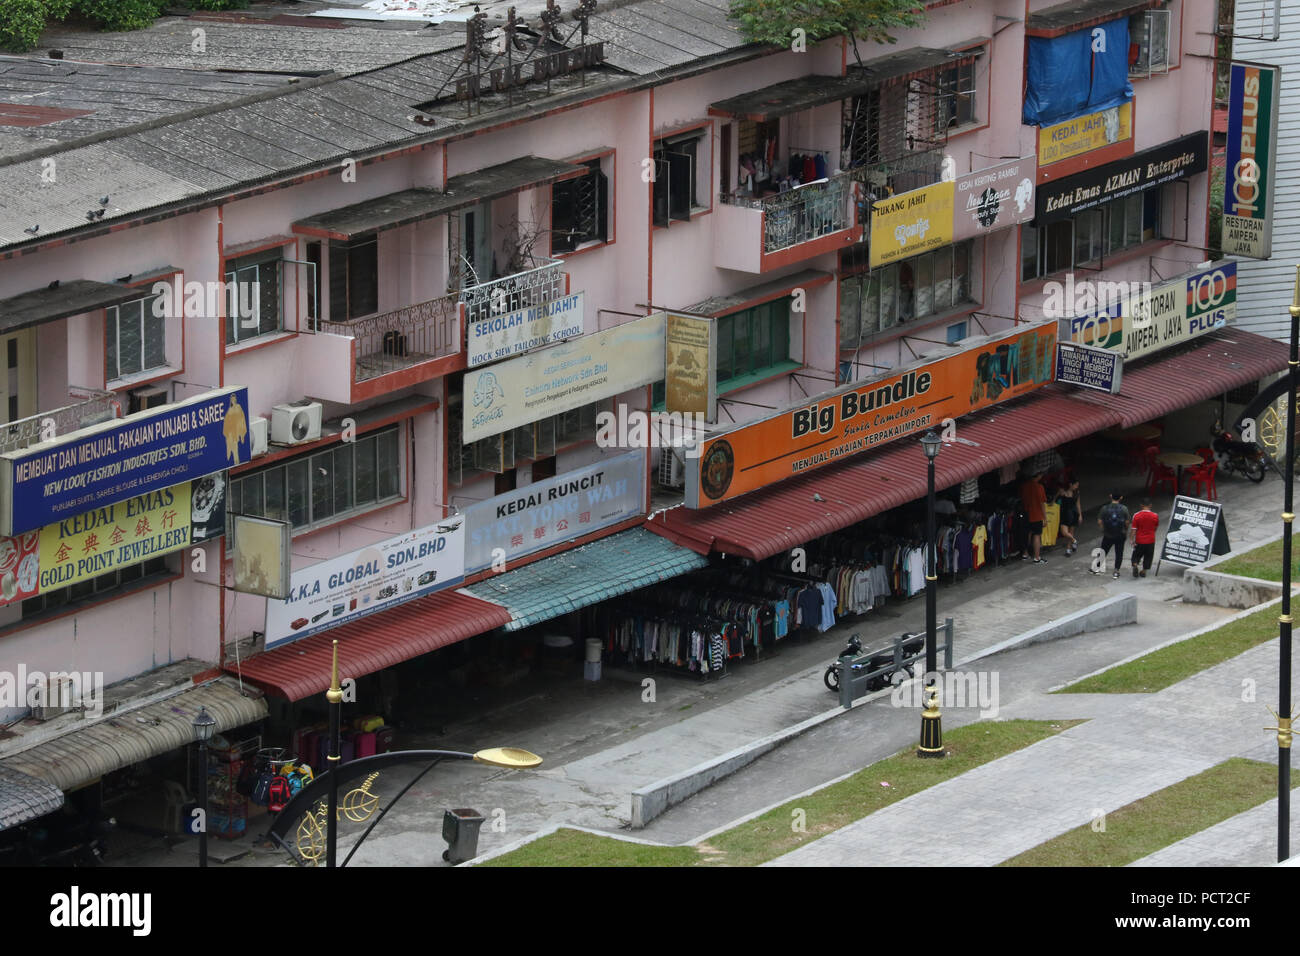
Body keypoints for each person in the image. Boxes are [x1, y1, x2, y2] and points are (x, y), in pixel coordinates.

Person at [1096, 490, 1131, 579]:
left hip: (1108, 534)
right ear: (1121, 498)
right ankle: (1116, 571)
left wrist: (1103, 529)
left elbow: (1099, 521)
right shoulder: (1124, 508)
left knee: (1104, 550)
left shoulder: (1104, 508)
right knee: (1119, 553)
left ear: (1110, 496)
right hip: (1120, 534)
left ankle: (1097, 567)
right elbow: (1127, 522)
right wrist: (1125, 530)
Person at [1020, 471, 1047, 563]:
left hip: (1026, 514)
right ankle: (1037, 557)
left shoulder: (1024, 486)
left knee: (1027, 534)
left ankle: (1025, 554)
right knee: (1036, 535)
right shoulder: (1040, 487)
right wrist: (1045, 518)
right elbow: (1042, 503)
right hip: (1037, 515)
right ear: (1038, 476)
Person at [1131, 500, 1160, 578]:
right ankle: (1144, 571)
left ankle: (1135, 564)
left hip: (1139, 540)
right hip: (1151, 540)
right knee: (1148, 556)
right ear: (1150, 505)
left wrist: (1132, 540)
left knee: (1136, 555)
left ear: (1141, 505)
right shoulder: (1155, 515)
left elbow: (1134, 529)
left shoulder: (1136, 515)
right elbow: (1155, 527)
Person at [1057, 477, 1081, 556]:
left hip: (1073, 514)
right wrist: (1058, 494)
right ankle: (1074, 541)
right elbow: (1056, 500)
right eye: (1076, 485)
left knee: (1071, 532)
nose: (1077, 487)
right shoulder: (1063, 492)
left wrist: (1080, 515)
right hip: (1065, 514)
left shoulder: (1076, 493)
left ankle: (1068, 549)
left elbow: (1078, 504)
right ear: (1071, 484)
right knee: (1064, 532)